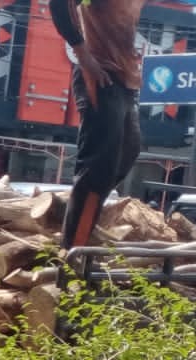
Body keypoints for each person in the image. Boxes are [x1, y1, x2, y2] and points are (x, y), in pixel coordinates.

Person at [49, 0, 143, 249]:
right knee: (97, 169)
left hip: (126, 81)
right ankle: (72, 254)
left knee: (128, 152)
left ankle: (79, 215)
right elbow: (60, 4)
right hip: (100, 76)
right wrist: (83, 55)